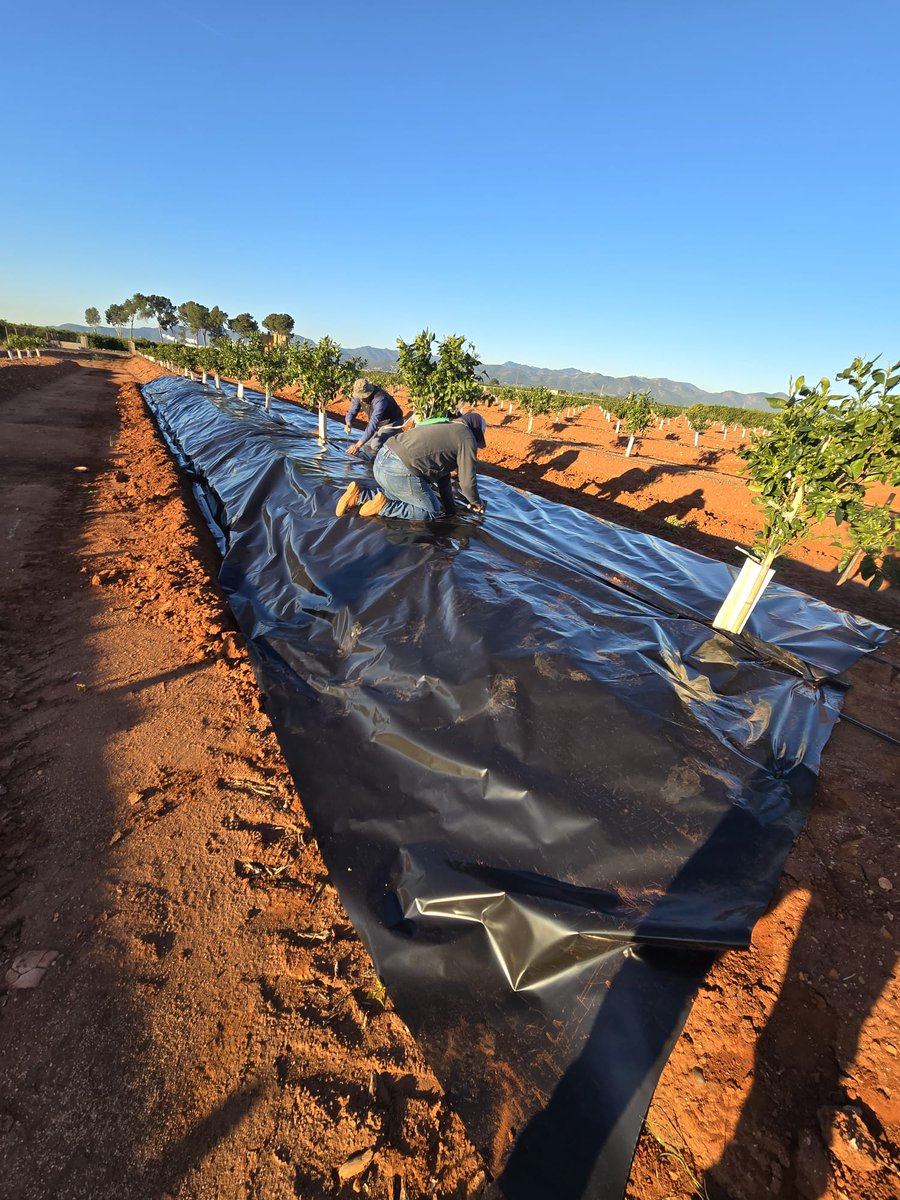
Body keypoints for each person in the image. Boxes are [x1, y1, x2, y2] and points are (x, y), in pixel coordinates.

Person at [336, 411, 487, 521]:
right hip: (400, 468)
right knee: (431, 510)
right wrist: (476, 502)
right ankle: (384, 507)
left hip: (381, 460)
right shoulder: (467, 436)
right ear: (476, 432)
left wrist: (450, 510)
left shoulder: (445, 425)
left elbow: (444, 478)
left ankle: (359, 495)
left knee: (405, 497)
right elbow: (467, 481)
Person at [344, 378, 405, 457]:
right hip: (380, 423)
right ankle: (372, 462)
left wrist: (357, 445)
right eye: (360, 397)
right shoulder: (358, 396)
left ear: (369, 393)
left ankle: (384, 463)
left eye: (363, 397)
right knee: (366, 444)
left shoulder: (380, 399)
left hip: (392, 422)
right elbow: (353, 410)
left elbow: (373, 423)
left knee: (375, 445)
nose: (361, 400)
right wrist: (348, 422)